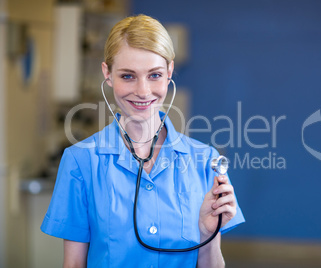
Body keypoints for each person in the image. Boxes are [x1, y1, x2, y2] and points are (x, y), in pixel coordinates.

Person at [41, 14, 245, 268]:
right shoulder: (80, 161)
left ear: (170, 71)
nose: (143, 91)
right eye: (128, 76)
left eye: (155, 75)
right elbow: (73, 264)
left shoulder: (205, 160)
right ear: (107, 73)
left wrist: (208, 236)